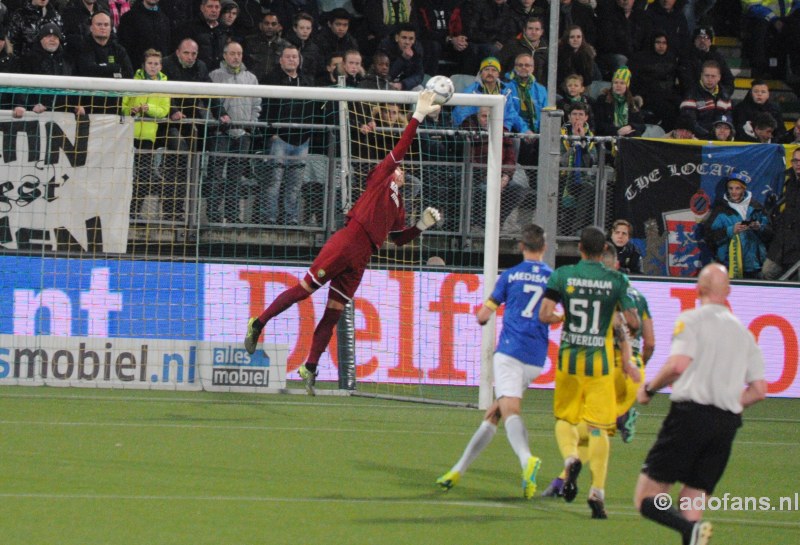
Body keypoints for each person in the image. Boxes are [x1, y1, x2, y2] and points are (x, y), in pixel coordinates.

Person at [243, 90, 443, 395]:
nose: (401, 170)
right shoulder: (381, 176)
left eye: (402, 170)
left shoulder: (399, 204)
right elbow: (402, 148)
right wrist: (416, 116)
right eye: (399, 167)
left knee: (334, 312)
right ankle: (259, 322)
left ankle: (309, 367)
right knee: (305, 290)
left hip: (363, 257)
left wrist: (420, 226)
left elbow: (399, 240)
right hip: (348, 240)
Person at [634, 263, 766, 545]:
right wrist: (732, 401)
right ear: (728, 291)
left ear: (697, 289)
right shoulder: (744, 334)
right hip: (726, 424)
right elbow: (758, 391)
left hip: (690, 416)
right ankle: (692, 532)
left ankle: (690, 531)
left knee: (647, 498)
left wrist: (649, 389)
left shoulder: (692, 320)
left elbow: (678, 364)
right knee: (691, 501)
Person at [435, 223, 550, 499]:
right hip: (537, 357)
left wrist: (484, 311)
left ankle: (526, 459)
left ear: (522, 247)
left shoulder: (510, 276)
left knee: (509, 409)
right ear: (544, 248)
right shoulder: (553, 278)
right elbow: (556, 313)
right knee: (495, 412)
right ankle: (458, 470)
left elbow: (484, 315)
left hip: (510, 352)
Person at [539, 226, 640, 519]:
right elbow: (631, 321)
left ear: (580, 248)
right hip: (600, 366)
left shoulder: (562, 275)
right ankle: (597, 490)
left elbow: (545, 314)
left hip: (570, 361)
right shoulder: (617, 280)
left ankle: (571, 458)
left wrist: (561, 316)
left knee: (565, 419)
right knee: (598, 428)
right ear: (604, 251)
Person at [256, 43, 315, 226]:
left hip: (302, 140)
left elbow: (312, 109)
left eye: (295, 57)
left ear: (299, 60)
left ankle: (291, 218)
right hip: (279, 138)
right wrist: (271, 133)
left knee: (295, 184)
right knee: (274, 182)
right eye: (288, 56)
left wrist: (309, 133)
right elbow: (264, 108)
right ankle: (270, 217)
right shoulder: (270, 79)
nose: (291, 60)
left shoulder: (307, 81)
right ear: (280, 60)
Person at [206, 40, 259, 224]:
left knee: (236, 177)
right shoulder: (214, 76)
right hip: (221, 134)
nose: (236, 57)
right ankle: (212, 213)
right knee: (216, 176)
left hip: (243, 134)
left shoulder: (251, 78)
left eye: (239, 54)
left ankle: (233, 214)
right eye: (232, 53)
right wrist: (216, 124)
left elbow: (256, 104)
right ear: (224, 55)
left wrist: (250, 126)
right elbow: (208, 105)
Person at [121, 48, 170, 218]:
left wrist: (148, 108)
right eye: (150, 63)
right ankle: (121, 211)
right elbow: (123, 105)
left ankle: (134, 212)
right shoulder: (134, 81)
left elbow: (164, 111)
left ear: (161, 66)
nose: (153, 67)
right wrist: (131, 111)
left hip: (148, 137)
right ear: (144, 65)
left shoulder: (165, 85)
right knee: (124, 174)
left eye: (156, 64)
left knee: (142, 177)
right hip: (129, 134)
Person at [705, 172, 772, 279]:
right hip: (729, 266)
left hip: (754, 266)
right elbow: (709, 236)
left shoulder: (756, 207)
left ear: (743, 189)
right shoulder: (720, 210)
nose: (733, 192)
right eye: (730, 188)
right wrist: (730, 230)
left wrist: (759, 228)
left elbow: (770, 234)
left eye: (737, 188)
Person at [628, 30, 681, 131]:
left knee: (682, 106)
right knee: (668, 110)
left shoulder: (671, 58)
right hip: (649, 95)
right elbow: (636, 81)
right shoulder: (641, 58)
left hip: (668, 94)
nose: (661, 46)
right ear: (652, 43)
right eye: (658, 42)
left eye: (664, 43)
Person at [763, 148, 800, 280]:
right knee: (767, 271)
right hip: (783, 242)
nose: (798, 164)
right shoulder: (789, 182)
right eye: (795, 160)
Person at [679, 60, 732, 139]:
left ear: (719, 77)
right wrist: (710, 136)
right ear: (701, 76)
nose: (710, 79)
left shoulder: (725, 95)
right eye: (707, 75)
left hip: (719, 139)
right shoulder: (691, 94)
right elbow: (690, 122)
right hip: (697, 140)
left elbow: (727, 120)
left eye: (713, 76)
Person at [677, 25, 734, 97]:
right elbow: (686, 82)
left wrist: (722, 94)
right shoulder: (686, 57)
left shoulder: (718, 58)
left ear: (710, 42)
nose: (702, 40)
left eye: (706, 37)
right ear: (694, 41)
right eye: (699, 37)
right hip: (693, 98)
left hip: (715, 97)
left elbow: (728, 80)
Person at [116, 0, 171, 72]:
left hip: (160, 75)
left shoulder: (165, 19)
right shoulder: (129, 18)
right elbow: (124, 49)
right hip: (135, 74)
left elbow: (167, 48)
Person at [592, 66, 646, 138]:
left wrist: (630, 127)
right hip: (609, 139)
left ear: (627, 86)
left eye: (622, 83)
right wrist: (617, 131)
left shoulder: (633, 103)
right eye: (616, 82)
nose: (618, 85)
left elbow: (642, 126)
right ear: (612, 84)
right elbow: (598, 125)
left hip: (629, 138)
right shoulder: (602, 100)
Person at [498, 16, 549, 86]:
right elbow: (500, 65)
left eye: (537, 29)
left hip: (537, 88)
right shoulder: (512, 45)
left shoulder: (546, 49)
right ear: (524, 30)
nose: (533, 32)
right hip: (513, 85)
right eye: (530, 29)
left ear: (542, 32)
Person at [242, 9, 287, 83]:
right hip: (252, 84)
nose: (270, 27)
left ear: (279, 26)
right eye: (266, 23)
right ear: (260, 25)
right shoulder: (248, 42)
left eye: (273, 24)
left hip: (276, 87)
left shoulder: (285, 46)